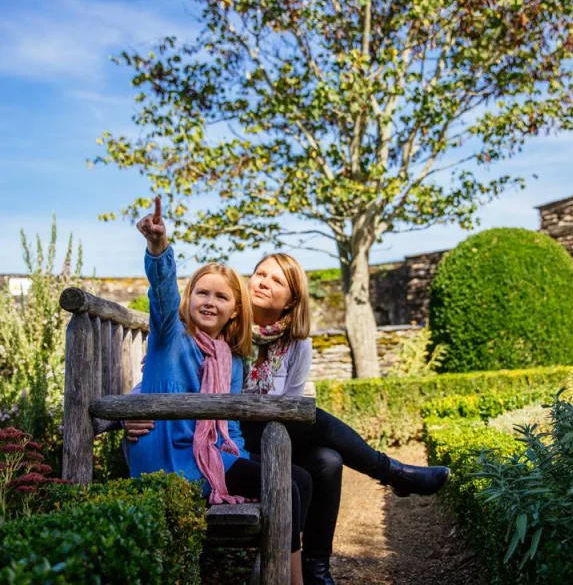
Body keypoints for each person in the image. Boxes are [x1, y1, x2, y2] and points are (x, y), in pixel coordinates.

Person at [127, 247, 450, 585]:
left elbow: (281, 413)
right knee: (317, 423)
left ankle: (315, 571)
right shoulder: (191, 336)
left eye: (276, 280)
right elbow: (162, 337)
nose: (263, 282)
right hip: (182, 447)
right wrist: (130, 411)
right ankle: (392, 473)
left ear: (290, 300)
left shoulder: (249, 351)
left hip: (237, 440)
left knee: (325, 461)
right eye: (261, 274)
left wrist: (238, 450)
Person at [129, 197, 311, 585]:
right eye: (202, 293)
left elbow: (232, 431)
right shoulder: (170, 339)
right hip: (167, 461)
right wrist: (158, 248)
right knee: (289, 489)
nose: (209, 302)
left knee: (297, 482)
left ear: (234, 311)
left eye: (221, 297)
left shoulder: (232, 360)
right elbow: (161, 294)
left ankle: (279, 570)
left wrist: (241, 463)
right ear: (189, 298)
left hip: (211, 460)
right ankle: (294, 582)